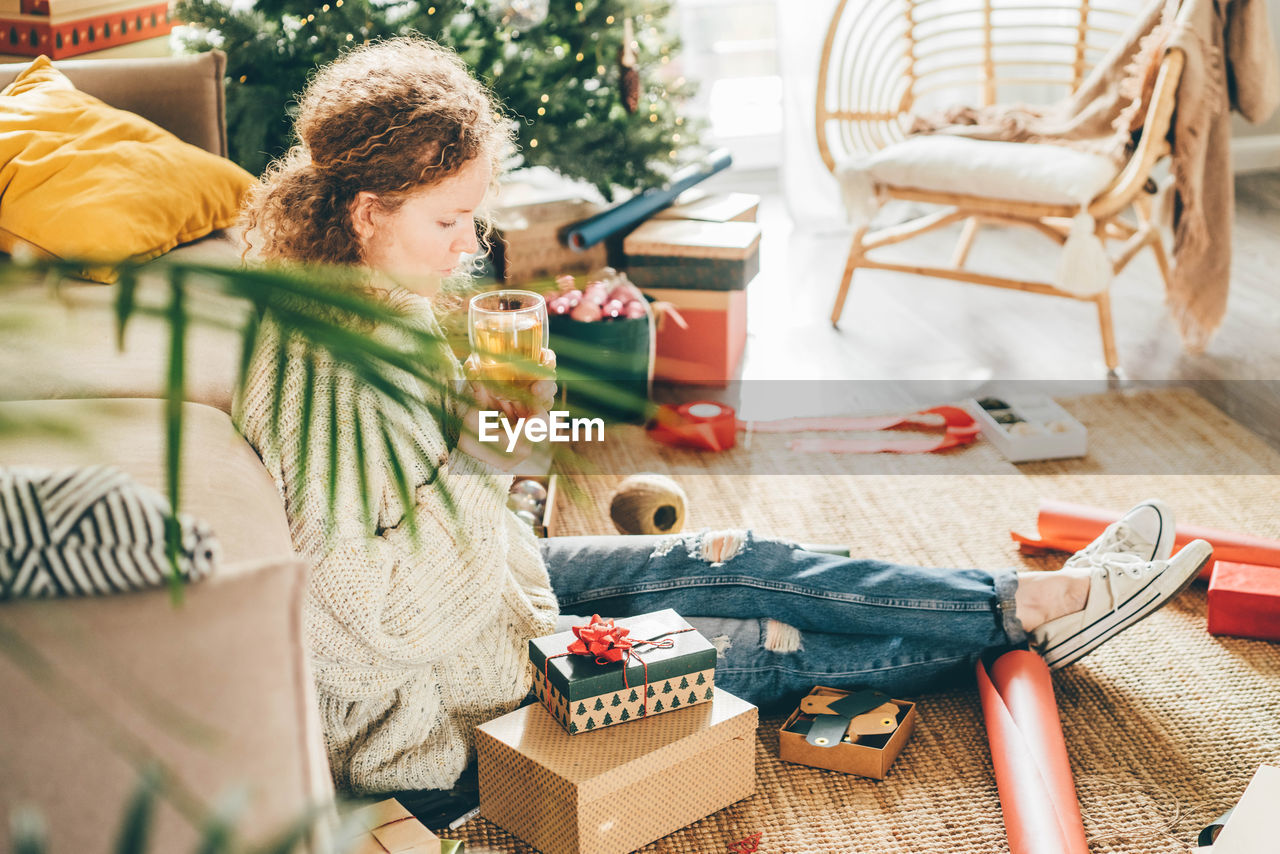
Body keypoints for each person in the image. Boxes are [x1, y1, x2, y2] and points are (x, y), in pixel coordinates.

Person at [235, 36, 1213, 796]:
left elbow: (436, 502)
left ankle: (1007, 599)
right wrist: (496, 459)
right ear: (365, 212)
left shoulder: (370, 301)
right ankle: (1022, 621)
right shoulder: (323, 368)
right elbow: (379, 608)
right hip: (444, 710)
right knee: (742, 640)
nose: (470, 245)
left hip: (493, 600)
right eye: (448, 222)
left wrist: (499, 445)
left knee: (726, 556)